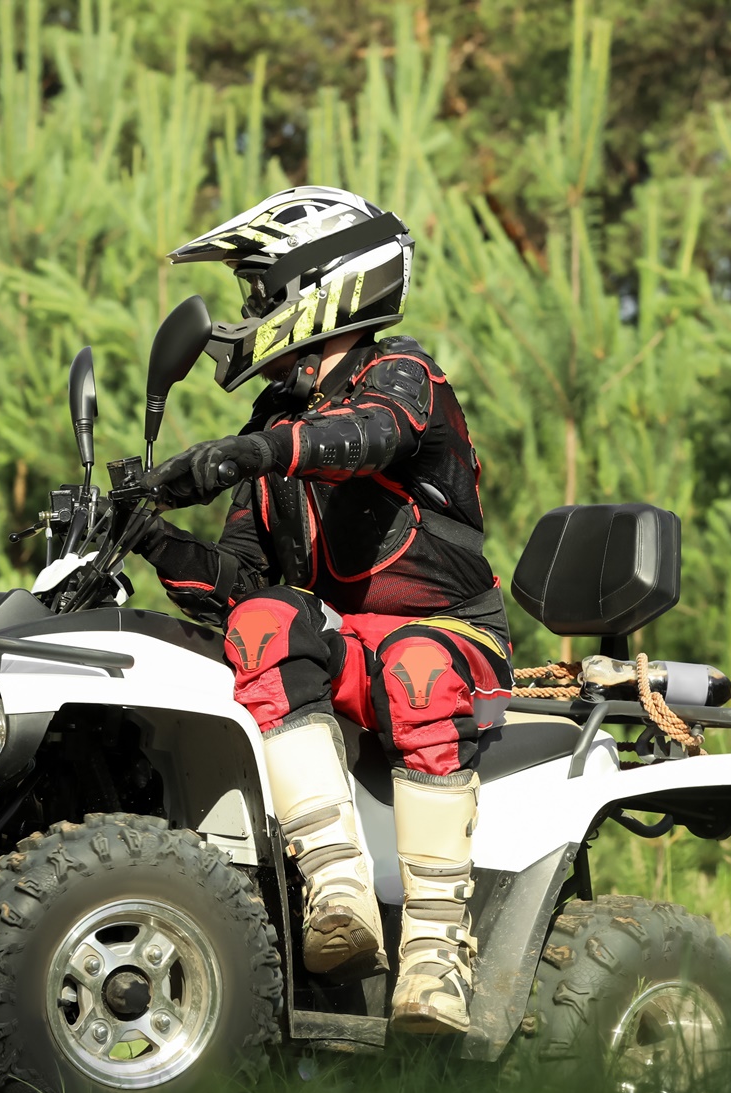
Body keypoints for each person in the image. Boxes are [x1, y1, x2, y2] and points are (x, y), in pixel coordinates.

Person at [134, 186, 510, 1036]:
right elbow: (238, 583)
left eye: (260, 293)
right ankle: (336, 893)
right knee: (264, 621)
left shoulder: (403, 374)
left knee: (415, 664)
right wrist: (152, 539)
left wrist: (249, 452)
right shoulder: (276, 416)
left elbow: (369, 436)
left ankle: (437, 953)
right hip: (348, 651)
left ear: (326, 285)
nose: (247, 315)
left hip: (453, 641)